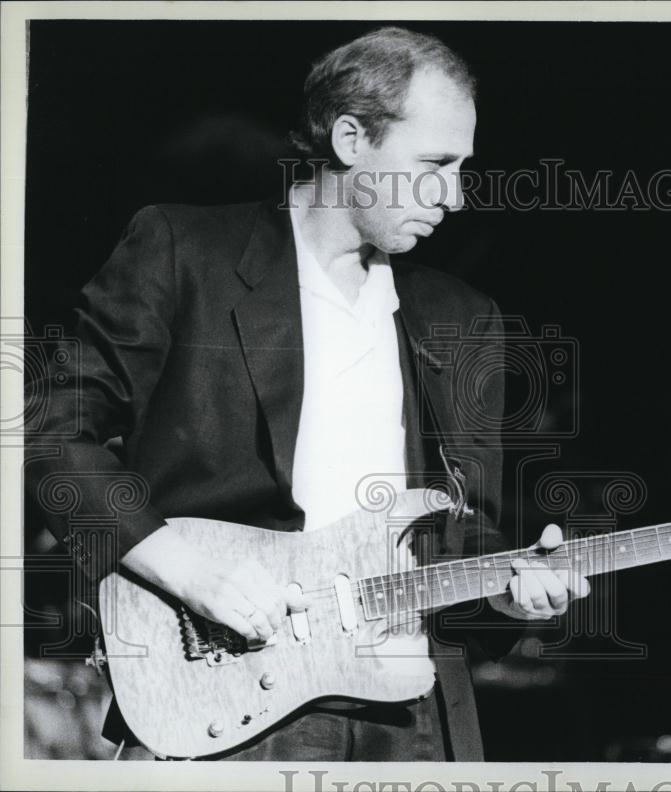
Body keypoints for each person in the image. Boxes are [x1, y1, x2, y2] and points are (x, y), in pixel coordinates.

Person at [24, 26, 590, 761]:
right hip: (225, 699)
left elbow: (465, 534)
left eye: (462, 168)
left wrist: (510, 595)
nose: (454, 196)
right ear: (351, 138)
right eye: (435, 163)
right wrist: (187, 568)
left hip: (414, 717)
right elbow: (50, 435)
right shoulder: (182, 252)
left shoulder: (463, 317)